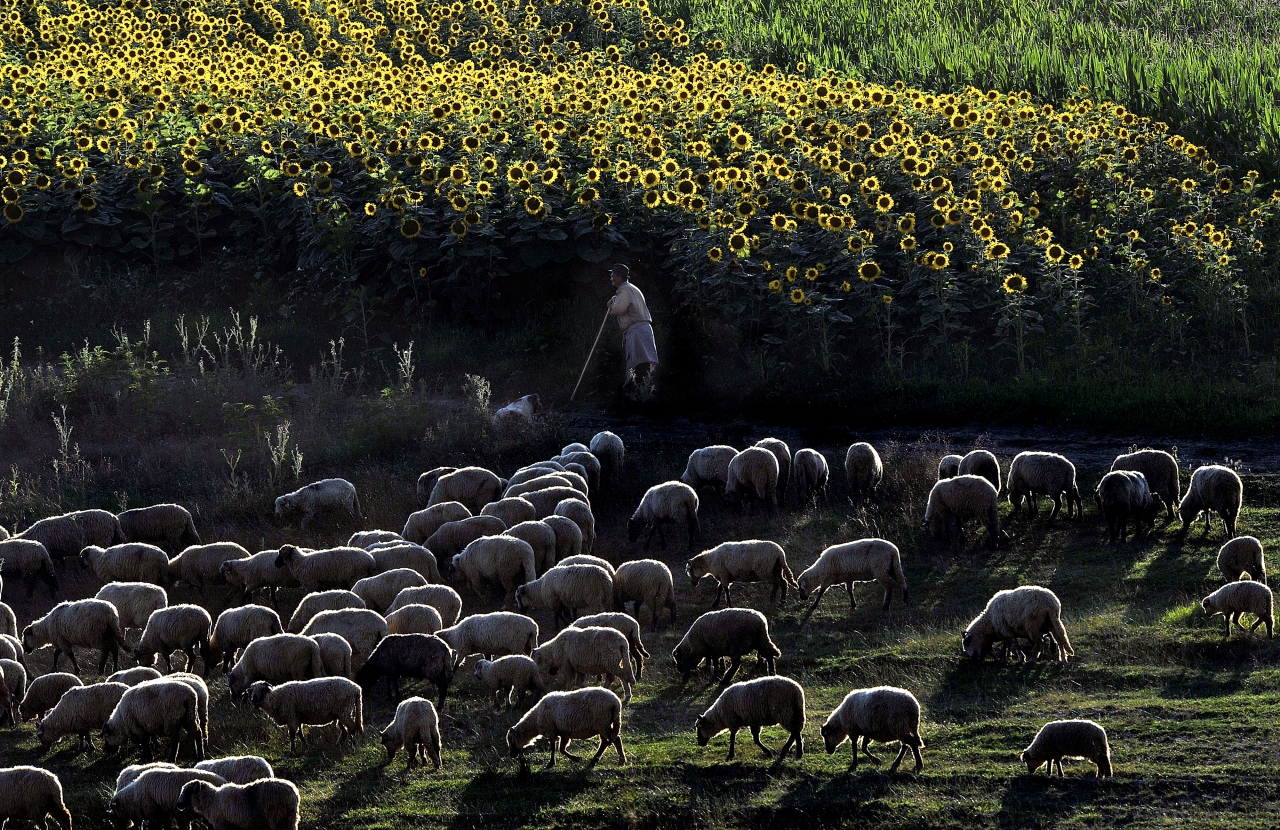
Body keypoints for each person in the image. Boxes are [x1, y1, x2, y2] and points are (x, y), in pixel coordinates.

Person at [607, 264, 658, 399]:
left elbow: (618, 310)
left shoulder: (625, 291)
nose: (611, 277)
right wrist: (614, 301)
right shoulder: (632, 289)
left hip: (636, 332)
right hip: (643, 330)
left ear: (619, 277)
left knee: (639, 365)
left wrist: (612, 303)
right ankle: (644, 396)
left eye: (613, 275)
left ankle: (636, 398)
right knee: (646, 364)